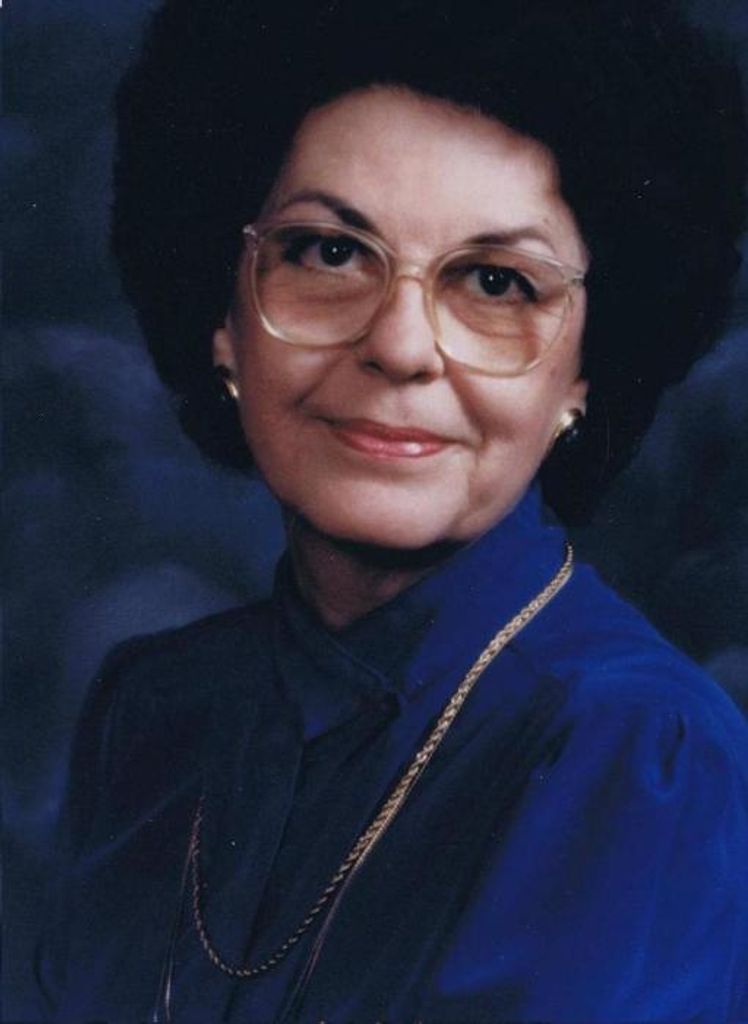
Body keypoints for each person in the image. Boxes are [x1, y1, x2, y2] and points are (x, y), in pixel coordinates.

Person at [37, 1, 748, 1020]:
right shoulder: (153, 712)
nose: (401, 347)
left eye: (496, 281)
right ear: (224, 319)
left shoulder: (638, 753)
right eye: (328, 253)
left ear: (587, 372)